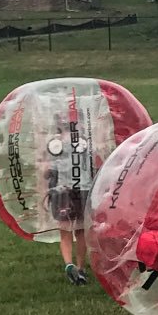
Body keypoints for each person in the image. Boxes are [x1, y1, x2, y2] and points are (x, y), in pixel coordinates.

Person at [45, 115, 91, 286]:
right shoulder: (86, 142)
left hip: (62, 191)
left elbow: (49, 171)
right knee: (80, 231)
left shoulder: (54, 145)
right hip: (83, 188)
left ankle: (69, 265)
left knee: (65, 232)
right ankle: (80, 268)